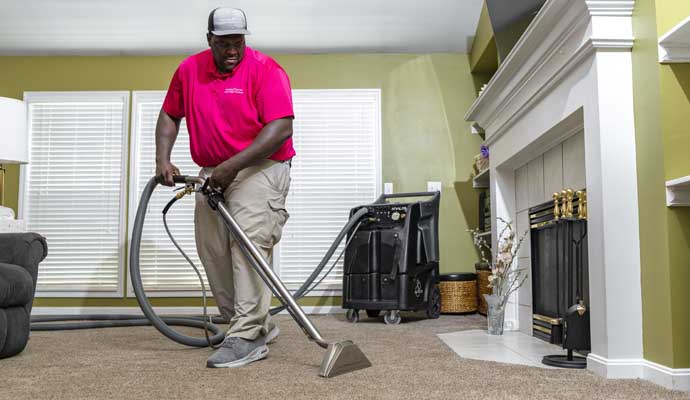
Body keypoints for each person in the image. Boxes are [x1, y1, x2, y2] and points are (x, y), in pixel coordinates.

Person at [154, 7, 295, 368]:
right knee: (213, 248)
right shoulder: (189, 70)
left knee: (247, 243)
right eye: (224, 44)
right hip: (213, 170)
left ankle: (247, 335)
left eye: (239, 42)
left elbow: (280, 129)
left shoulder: (266, 70)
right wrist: (163, 159)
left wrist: (231, 168)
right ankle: (247, 324)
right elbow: (170, 113)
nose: (233, 50)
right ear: (209, 40)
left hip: (259, 166)